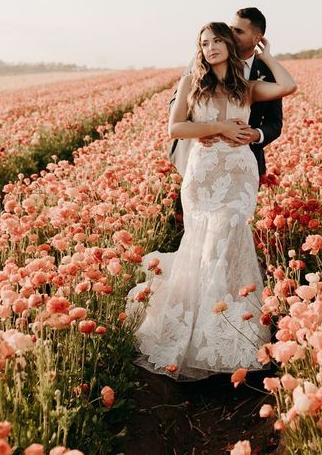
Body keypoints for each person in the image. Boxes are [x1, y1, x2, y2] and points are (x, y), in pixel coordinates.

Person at [126, 21, 297, 381]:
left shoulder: (247, 87)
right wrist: (219, 128)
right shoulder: (193, 81)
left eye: (217, 41)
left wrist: (268, 55)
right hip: (203, 176)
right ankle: (199, 334)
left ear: (229, 46)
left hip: (237, 176)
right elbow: (176, 128)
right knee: (203, 244)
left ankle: (226, 329)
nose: (211, 47)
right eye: (204, 43)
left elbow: (288, 86)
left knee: (231, 238)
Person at [169, 7, 283, 178]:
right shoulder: (204, 59)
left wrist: (253, 135)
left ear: (256, 39)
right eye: (230, 29)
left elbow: (274, 122)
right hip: (199, 159)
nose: (231, 34)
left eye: (238, 31)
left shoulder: (268, 72)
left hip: (242, 163)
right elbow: (176, 106)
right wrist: (202, 129)